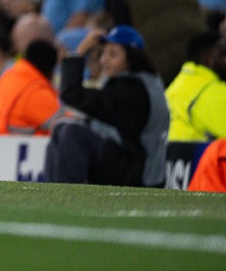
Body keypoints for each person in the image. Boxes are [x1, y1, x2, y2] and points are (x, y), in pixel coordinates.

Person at [45, 25, 170, 187]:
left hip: (139, 174)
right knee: (61, 128)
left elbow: (72, 94)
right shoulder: (142, 82)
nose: (104, 60)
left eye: (113, 54)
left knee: (71, 133)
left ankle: (66, 195)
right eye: (103, 53)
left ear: (131, 58)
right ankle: (54, 192)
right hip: (129, 163)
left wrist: (79, 52)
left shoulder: (132, 89)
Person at [165, 33, 226, 143]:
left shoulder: (181, 83)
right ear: (205, 59)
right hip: (199, 153)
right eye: (223, 55)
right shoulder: (209, 92)